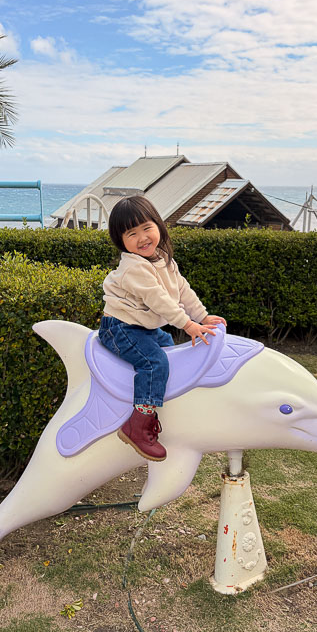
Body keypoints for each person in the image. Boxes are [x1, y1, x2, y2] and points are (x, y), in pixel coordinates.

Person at [99, 195, 226, 462]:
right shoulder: (133, 268)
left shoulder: (163, 259)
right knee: (154, 363)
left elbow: (182, 291)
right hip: (120, 328)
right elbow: (160, 301)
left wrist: (202, 317)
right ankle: (138, 423)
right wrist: (188, 324)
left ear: (158, 225)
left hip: (143, 327)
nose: (142, 237)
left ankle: (169, 405)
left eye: (147, 228)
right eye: (132, 233)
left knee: (169, 346)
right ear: (121, 241)